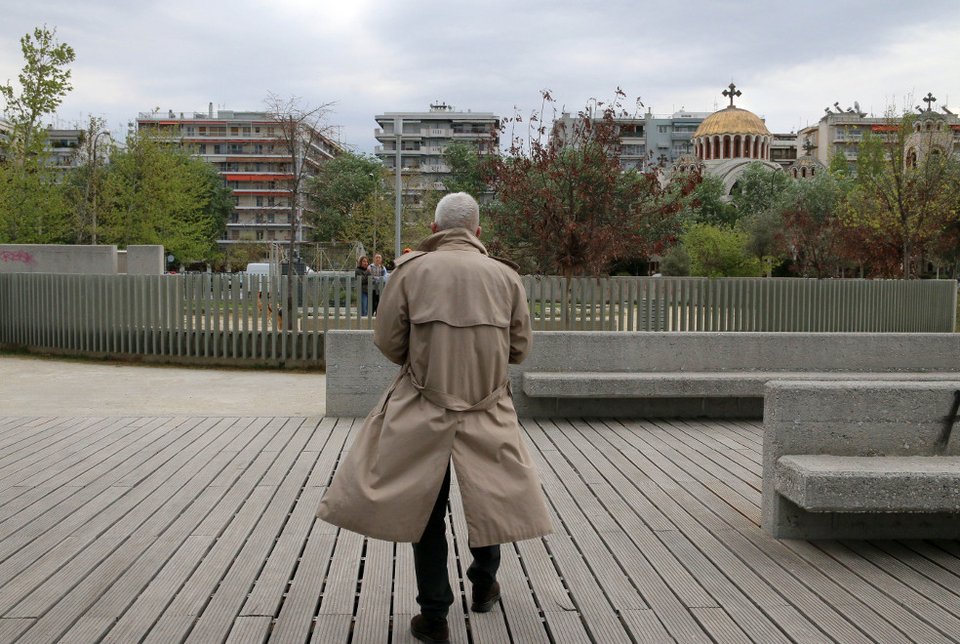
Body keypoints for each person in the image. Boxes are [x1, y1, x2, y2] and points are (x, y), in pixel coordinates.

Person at [318, 192, 552, 644]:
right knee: (491, 497)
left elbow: (388, 343)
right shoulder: (506, 278)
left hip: (423, 407)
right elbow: (520, 350)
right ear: (478, 231)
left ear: (436, 229)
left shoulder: (409, 272)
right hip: (487, 406)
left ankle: (435, 614)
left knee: (425, 507)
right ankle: (484, 584)